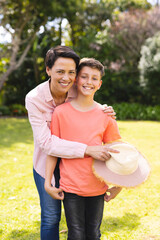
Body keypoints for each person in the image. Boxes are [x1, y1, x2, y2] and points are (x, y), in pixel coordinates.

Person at [25, 46, 117, 240]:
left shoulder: (76, 88)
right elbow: (47, 143)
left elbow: (90, 105)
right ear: (48, 70)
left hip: (78, 169)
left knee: (88, 228)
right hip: (46, 163)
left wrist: (105, 109)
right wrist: (88, 150)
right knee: (51, 217)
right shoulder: (34, 99)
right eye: (60, 71)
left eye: (71, 73)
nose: (66, 78)